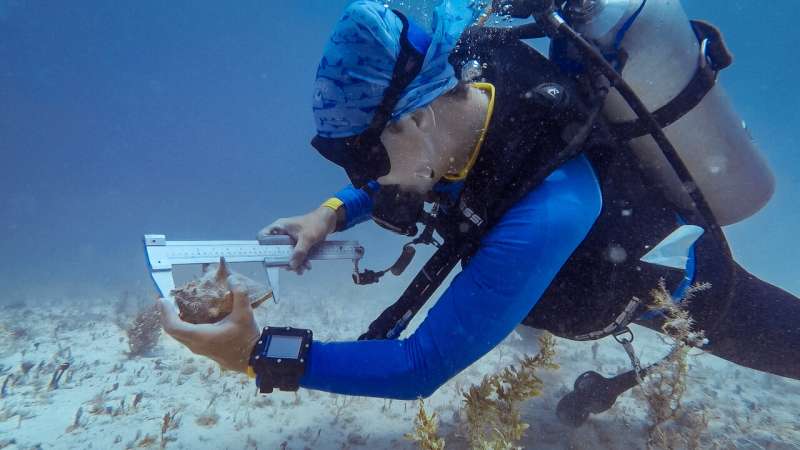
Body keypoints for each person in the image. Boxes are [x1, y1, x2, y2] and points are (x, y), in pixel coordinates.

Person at [157, 1, 799, 401]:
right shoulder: (459, 95)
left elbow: (417, 367)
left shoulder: (550, 207)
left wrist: (253, 356)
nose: (366, 178)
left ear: (412, 123)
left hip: (680, 288)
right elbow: (406, 176)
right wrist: (329, 211)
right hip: (551, 277)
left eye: (365, 159)